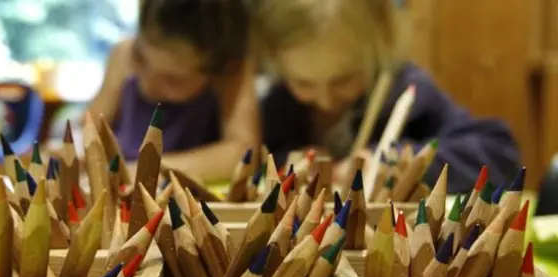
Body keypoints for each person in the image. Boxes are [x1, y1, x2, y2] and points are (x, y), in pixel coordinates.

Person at [253, 0, 521, 193]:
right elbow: (257, 162)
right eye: (304, 83)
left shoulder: (407, 91)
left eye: (344, 80)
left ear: (384, 44)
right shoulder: (280, 104)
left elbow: (498, 152)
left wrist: (402, 164)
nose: (325, 100)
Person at [86, 0, 260, 183]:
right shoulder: (123, 54)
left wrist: (147, 169)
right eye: (140, 59)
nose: (148, 82)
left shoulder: (232, 72)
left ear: (215, 73)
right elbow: (91, 131)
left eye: (172, 80)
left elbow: (243, 154)